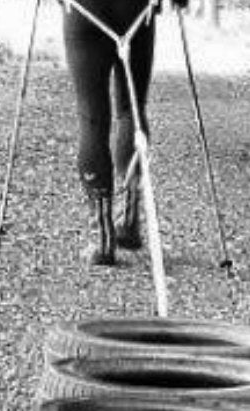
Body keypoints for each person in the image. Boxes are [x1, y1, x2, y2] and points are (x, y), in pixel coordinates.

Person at [61, 0, 187, 265]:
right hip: (136, 10)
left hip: (84, 9)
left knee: (91, 117)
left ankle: (103, 240)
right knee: (132, 108)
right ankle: (129, 220)